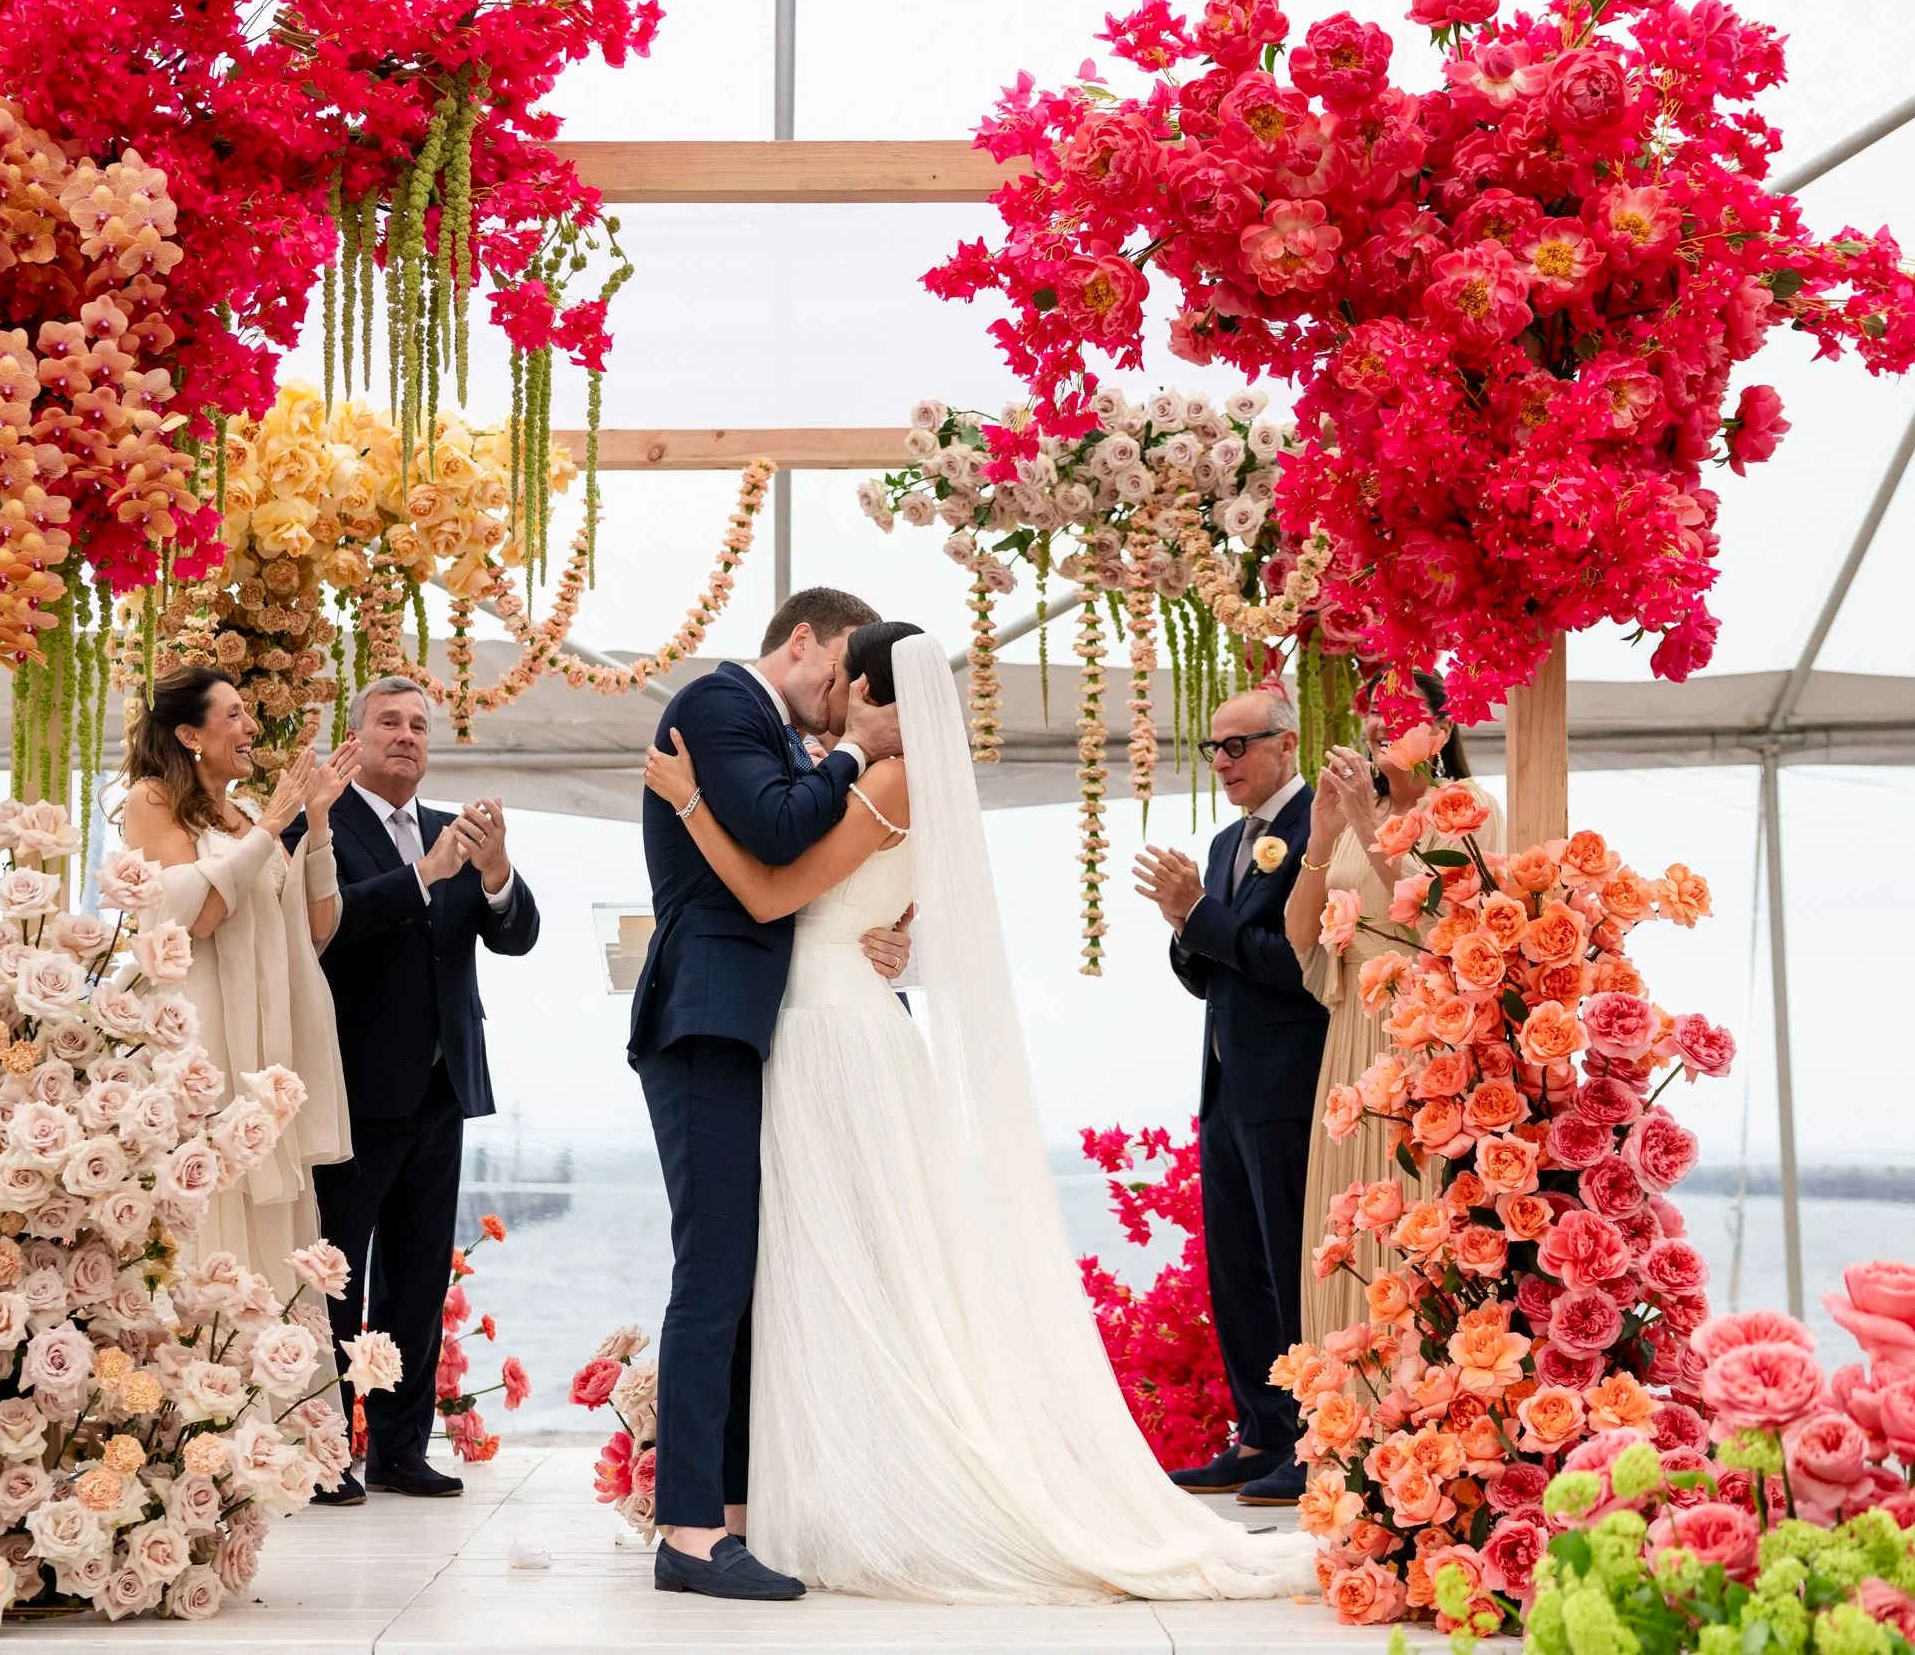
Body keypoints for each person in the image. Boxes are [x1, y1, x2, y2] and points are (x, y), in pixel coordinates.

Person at [640, 626, 1314, 1604]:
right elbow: (884, 906)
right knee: (826, 1270)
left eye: (839, 682)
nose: (823, 696)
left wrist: (691, 799)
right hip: (844, 1020)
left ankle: (800, 1499)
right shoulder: (907, 786)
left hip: (826, 1031)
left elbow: (767, 886)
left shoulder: (890, 779)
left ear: (865, 685)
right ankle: (770, 1498)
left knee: (841, 1268)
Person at [629, 587, 911, 1602]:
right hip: (705, 1011)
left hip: (750, 1018)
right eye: (834, 672)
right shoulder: (718, 705)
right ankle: (690, 1532)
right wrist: (854, 752)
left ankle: (731, 1515)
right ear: (801, 641)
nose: (838, 698)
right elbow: (781, 832)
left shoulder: (778, 732)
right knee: (712, 1271)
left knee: (742, 1272)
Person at [286, 675, 540, 1505]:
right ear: (354, 741)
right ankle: (324, 1452)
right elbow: (325, 929)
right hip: (352, 1092)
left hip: (441, 1088)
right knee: (337, 1279)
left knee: (419, 1281)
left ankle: (399, 1449)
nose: (408, 736)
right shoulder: (317, 825)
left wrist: (496, 872)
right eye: (389, 722)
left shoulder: (453, 833)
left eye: (420, 726)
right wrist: (423, 875)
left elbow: (516, 936)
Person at [118, 665, 358, 1347]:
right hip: (206, 1049)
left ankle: (282, 1435)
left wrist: (314, 823)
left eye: (249, 713)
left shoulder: (248, 814)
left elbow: (315, 927)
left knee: (275, 1237)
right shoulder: (152, 799)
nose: (252, 728)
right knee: (214, 1212)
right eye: (234, 715)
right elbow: (198, 913)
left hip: (265, 1051)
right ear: (191, 733)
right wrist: (276, 820)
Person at [1131, 689, 1327, 1511]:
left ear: (1287, 745)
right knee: (1237, 1268)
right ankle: (1260, 1433)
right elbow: (1208, 973)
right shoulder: (1222, 843)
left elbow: (1295, 964)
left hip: (1289, 1081)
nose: (1223, 761)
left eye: (1238, 745)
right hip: (1224, 1079)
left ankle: (1317, 1441)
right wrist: (1187, 925)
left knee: (1290, 1269)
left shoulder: (1323, 827)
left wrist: (1200, 916)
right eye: (1214, 747)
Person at [1282, 673, 1501, 1347]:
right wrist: (1322, 837)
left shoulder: (1464, 807)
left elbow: (1441, 917)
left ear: (1439, 731)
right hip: (1351, 1041)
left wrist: (1362, 823)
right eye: (1371, 710)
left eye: (1398, 712)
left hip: (1426, 1043)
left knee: (1412, 1220)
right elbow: (1299, 936)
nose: (1378, 723)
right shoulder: (1351, 815)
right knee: (1345, 1223)